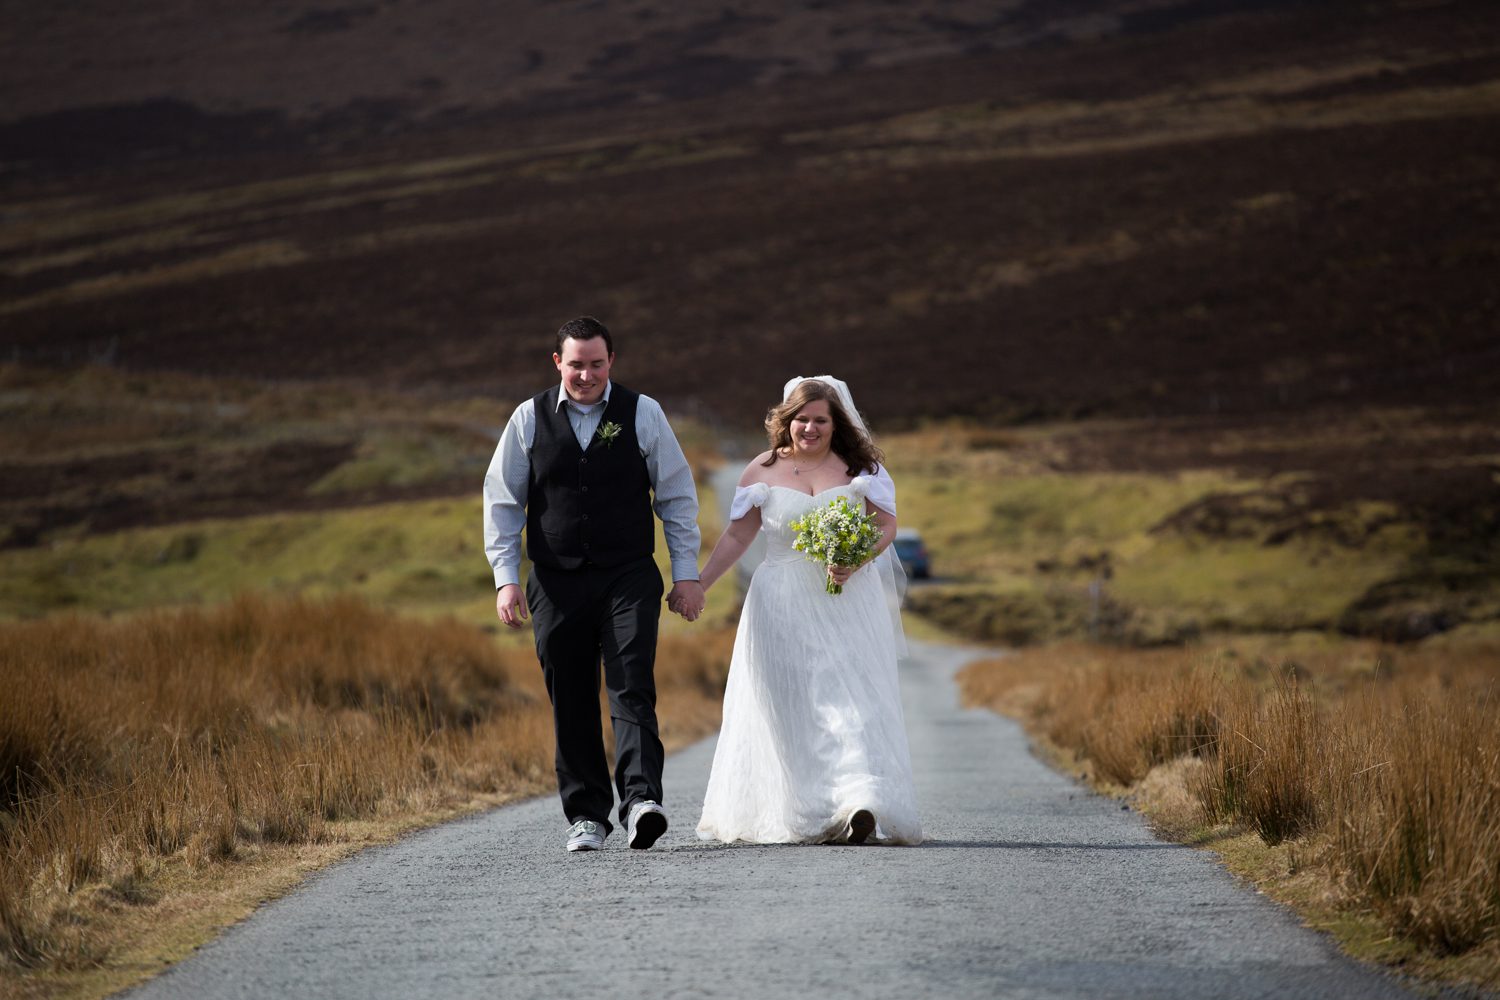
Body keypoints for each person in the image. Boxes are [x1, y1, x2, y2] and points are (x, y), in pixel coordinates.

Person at [483, 317, 706, 853]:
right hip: (554, 580)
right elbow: (504, 502)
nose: (586, 374)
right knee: (571, 694)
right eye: (576, 363)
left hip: (627, 573)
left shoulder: (643, 413)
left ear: (612, 362)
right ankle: (587, 816)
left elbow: (675, 496)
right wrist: (505, 580)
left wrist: (687, 574)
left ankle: (641, 803)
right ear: (556, 362)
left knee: (630, 682)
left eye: (597, 363)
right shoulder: (527, 418)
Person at [694, 376, 922, 845]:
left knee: (851, 701)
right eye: (802, 419)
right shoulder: (762, 470)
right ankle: (810, 810)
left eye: (821, 420)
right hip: (779, 602)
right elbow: (738, 536)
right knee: (793, 704)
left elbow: (886, 524)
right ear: (787, 421)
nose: (811, 428)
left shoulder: (860, 468)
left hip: (847, 602)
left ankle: (862, 800)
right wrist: (699, 585)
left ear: (837, 423)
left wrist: (856, 559)